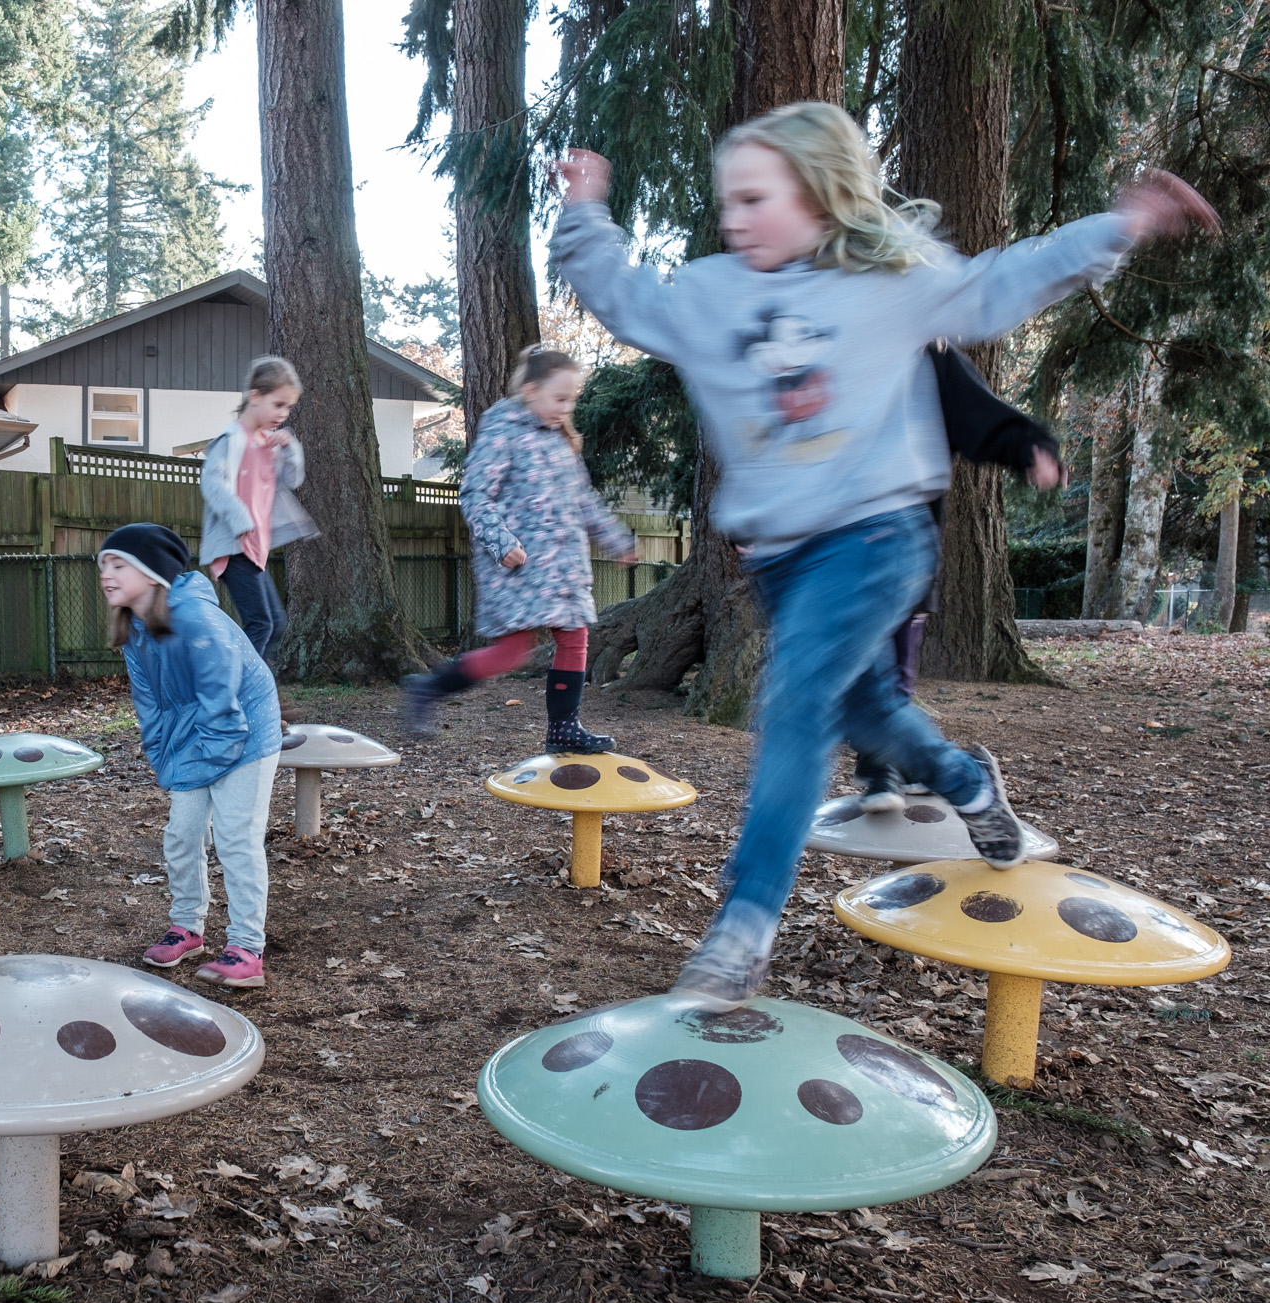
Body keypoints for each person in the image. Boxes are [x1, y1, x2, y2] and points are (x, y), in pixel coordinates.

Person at [549, 100, 1218, 1010]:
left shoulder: (892, 282)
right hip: (781, 558)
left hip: (875, 538)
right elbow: (622, 298)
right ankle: (968, 784)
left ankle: (743, 927)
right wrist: (586, 210)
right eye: (726, 202)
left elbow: (1001, 283)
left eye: (754, 199)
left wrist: (1121, 222)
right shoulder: (710, 294)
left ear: (821, 199)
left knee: (794, 701)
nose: (733, 218)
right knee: (867, 709)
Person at [853, 344, 1065, 812]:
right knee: (854, 670)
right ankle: (891, 766)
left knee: (894, 672)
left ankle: (895, 768)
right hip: (838, 551)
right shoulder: (825, 343)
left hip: (904, 548)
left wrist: (1029, 447)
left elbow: (977, 412)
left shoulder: (926, 355)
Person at [400, 347, 638, 752]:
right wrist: (501, 541)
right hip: (517, 562)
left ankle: (564, 729)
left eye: (571, 400)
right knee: (512, 651)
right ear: (530, 391)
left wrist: (616, 538)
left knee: (574, 636)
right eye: (559, 399)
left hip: (562, 565)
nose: (566, 408)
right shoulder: (502, 429)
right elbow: (476, 494)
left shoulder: (562, 441)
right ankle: (428, 687)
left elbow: (584, 501)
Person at [101, 524, 283, 989]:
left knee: (235, 837)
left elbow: (225, 710)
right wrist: (167, 763)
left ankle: (246, 948)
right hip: (195, 738)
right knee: (182, 834)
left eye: (118, 563)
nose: (106, 573)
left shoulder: (199, 622)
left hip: (246, 733)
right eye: (103, 564)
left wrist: (199, 769)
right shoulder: (135, 630)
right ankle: (188, 927)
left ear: (152, 572)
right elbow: (152, 708)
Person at [198, 356, 315, 709]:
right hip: (234, 545)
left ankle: (258, 692)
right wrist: (241, 520)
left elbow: (291, 480)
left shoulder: (267, 442)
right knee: (260, 623)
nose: (284, 413)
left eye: (289, 407)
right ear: (254, 396)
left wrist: (289, 447)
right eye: (278, 404)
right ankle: (243, 695)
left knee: (275, 622)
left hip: (255, 548)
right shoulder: (231, 440)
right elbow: (211, 482)